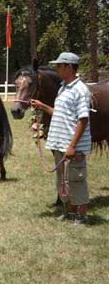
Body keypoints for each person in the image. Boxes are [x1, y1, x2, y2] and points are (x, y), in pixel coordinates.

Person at [30, 52, 92, 225]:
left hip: (72, 145)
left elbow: (83, 119)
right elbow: (60, 113)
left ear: (69, 67)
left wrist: (73, 146)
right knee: (63, 180)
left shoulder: (80, 90)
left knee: (76, 179)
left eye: (59, 65)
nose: (56, 68)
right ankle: (70, 212)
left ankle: (82, 215)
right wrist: (42, 107)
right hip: (59, 142)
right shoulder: (63, 87)